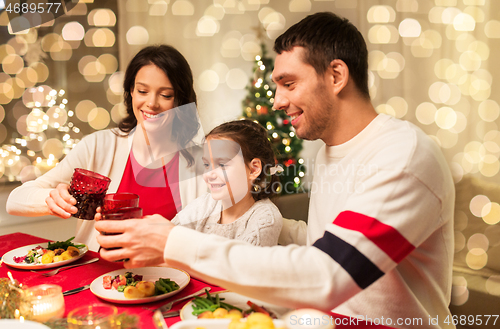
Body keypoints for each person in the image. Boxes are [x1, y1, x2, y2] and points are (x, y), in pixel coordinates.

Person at [96, 12, 455, 329]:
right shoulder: (330, 153)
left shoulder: (402, 156)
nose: (278, 101)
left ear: (336, 75)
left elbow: (328, 273)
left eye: (289, 83)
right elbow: (330, 236)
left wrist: (174, 242)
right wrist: (253, 217)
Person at [7, 45, 207, 251]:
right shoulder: (98, 146)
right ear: (131, 92)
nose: (151, 103)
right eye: (142, 91)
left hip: (171, 279)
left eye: (165, 95)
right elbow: (15, 201)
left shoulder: (201, 161)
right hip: (97, 278)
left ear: (180, 101)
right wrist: (52, 200)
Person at [98, 120, 283, 246]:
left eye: (221, 164)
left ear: (254, 169)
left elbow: (239, 273)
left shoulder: (265, 217)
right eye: (206, 164)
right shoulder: (206, 204)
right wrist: (129, 228)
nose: (209, 174)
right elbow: (168, 236)